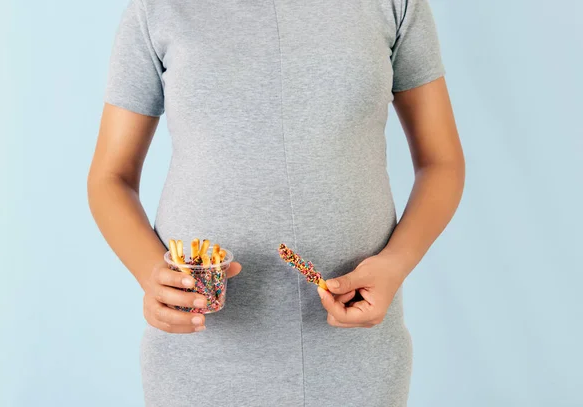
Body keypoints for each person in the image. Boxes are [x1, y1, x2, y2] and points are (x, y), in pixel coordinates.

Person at [87, 0, 464, 405]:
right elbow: (111, 177)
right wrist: (151, 274)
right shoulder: (157, 8)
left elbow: (441, 162)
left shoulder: (394, 4)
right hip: (201, 351)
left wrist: (395, 264)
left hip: (356, 352)